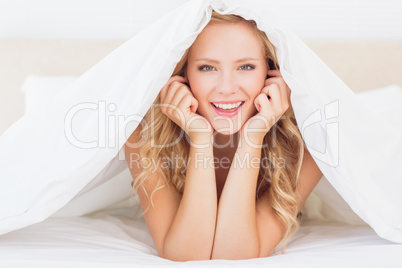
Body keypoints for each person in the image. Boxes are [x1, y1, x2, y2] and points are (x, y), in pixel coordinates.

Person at [124, 11, 323, 261]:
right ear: (183, 75)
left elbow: (235, 255)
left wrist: (254, 136)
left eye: (246, 67)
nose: (227, 88)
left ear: (271, 74)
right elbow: (186, 256)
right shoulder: (141, 134)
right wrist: (200, 138)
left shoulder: (309, 144)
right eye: (207, 67)